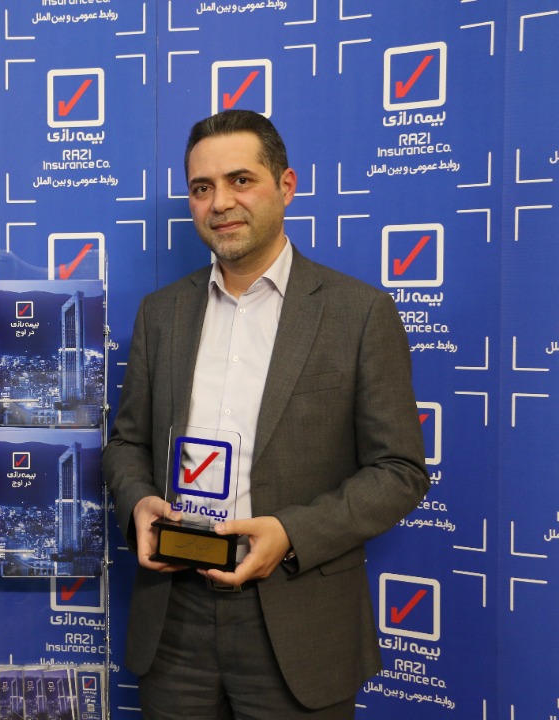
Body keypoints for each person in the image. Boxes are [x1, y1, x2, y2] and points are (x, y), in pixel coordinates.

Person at [103, 110, 429, 719]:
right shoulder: (160, 313)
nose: (220, 203)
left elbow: (399, 471)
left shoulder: (359, 313)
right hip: (174, 619)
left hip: (299, 619)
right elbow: (126, 445)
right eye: (202, 188)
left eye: (240, 180)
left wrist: (290, 534)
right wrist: (139, 503)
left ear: (286, 186)